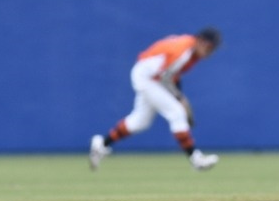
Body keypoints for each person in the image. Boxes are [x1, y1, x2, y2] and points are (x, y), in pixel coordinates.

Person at [89, 27, 223, 171]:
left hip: (150, 76)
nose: (210, 51)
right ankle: (195, 158)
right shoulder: (184, 52)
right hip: (148, 78)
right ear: (201, 41)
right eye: (209, 46)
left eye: (213, 48)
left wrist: (180, 97)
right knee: (177, 113)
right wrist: (180, 99)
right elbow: (165, 77)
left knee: (140, 121)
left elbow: (171, 74)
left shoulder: (189, 47)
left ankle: (101, 144)